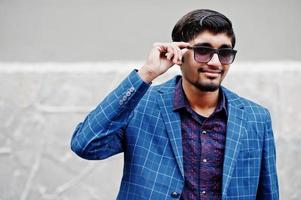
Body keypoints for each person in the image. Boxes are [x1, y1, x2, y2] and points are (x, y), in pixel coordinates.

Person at [70, 9, 279, 200]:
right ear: (180, 54)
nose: (215, 62)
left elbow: (267, 193)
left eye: (224, 53)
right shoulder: (140, 105)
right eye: (203, 51)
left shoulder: (256, 118)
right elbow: (86, 145)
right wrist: (146, 74)